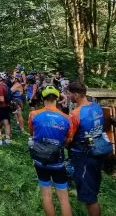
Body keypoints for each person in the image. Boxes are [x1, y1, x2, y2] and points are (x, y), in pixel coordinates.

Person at [28, 85, 74, 216]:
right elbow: (68, 139)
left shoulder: (34, 114)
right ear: (57, 98)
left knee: (46, 195)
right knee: (64, 199)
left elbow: (32, 132)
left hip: (40, 159)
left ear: (43, 99)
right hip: (57, 160)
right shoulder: (67, 118)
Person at [68, 81, 105, 216]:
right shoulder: (96, 107)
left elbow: (69, 137)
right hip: (98, 152)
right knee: (93, 188)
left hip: (83, 156)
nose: (68, 96)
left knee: (90, 197)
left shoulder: (75, 114)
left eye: (69, 93)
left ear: (76, 95)